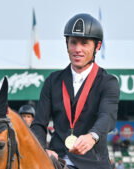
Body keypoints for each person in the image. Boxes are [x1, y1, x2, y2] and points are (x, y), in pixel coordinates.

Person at [31, 13, 120, 169]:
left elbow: (107, 116)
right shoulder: (52, 81)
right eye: (73, 43)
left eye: (84, 43)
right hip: (57, 160)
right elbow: (38, 124)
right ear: (67, 44)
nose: (77, 49)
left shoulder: (108, 82)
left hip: (94, 163)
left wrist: (93, 136)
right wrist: (43, 150)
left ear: (97, 46)